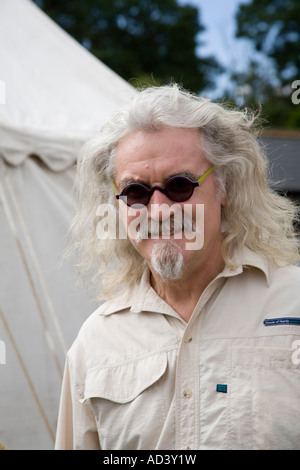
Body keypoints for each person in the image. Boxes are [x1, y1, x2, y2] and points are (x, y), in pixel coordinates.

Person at [55, 84, 300, 450]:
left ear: (224, 187)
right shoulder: (95, 343)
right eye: (136, 192)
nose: (159, 210)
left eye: (180, 185)